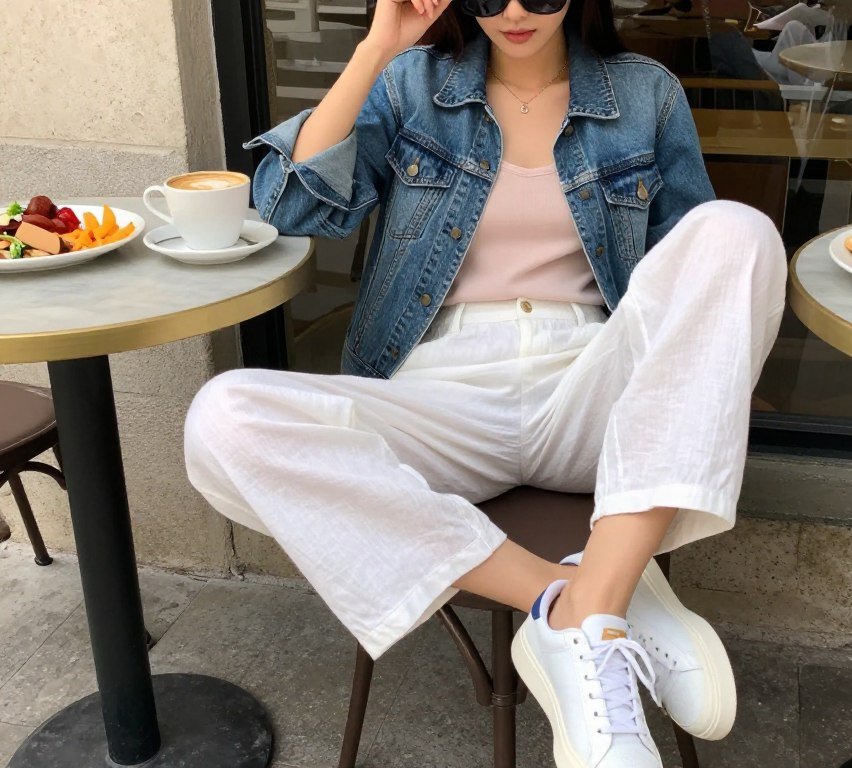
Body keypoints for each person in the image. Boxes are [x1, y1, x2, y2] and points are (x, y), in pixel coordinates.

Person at [183, 0, 787, 761]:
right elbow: (289, 203)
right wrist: (377, 46)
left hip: (593, 396)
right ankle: (578, 601)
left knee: (738, 232)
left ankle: (595, 596)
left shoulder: (646, 94)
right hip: (441, 396)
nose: (512, 11)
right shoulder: (413, 85)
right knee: (224, 419)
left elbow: (695, 281)